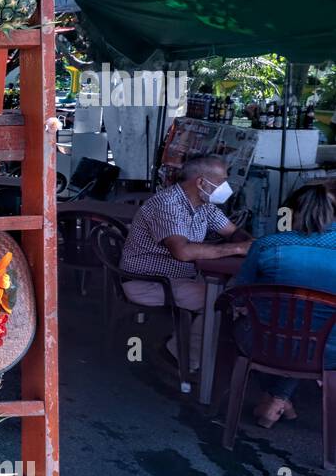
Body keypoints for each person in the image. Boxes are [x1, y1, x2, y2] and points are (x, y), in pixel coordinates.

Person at [120, 154, 253, 370]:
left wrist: (248, 241)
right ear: (201, 182)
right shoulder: (168, 204)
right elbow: (181, 252)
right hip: (147, 282)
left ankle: (195, 346)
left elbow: (233, 231)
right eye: (221, 182)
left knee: (237, 292)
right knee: (220, 301)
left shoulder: (203, 205)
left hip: (180, 277)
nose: (226, 188)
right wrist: (238, 248)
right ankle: (180, 356)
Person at [232, 182, 336, 427]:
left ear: (290, 213)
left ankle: (275, 398)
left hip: (264, 346)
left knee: (266, 331)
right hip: (330, 352)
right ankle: (279, 399)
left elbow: (240, 296)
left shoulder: (266, 245)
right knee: (312, 334)